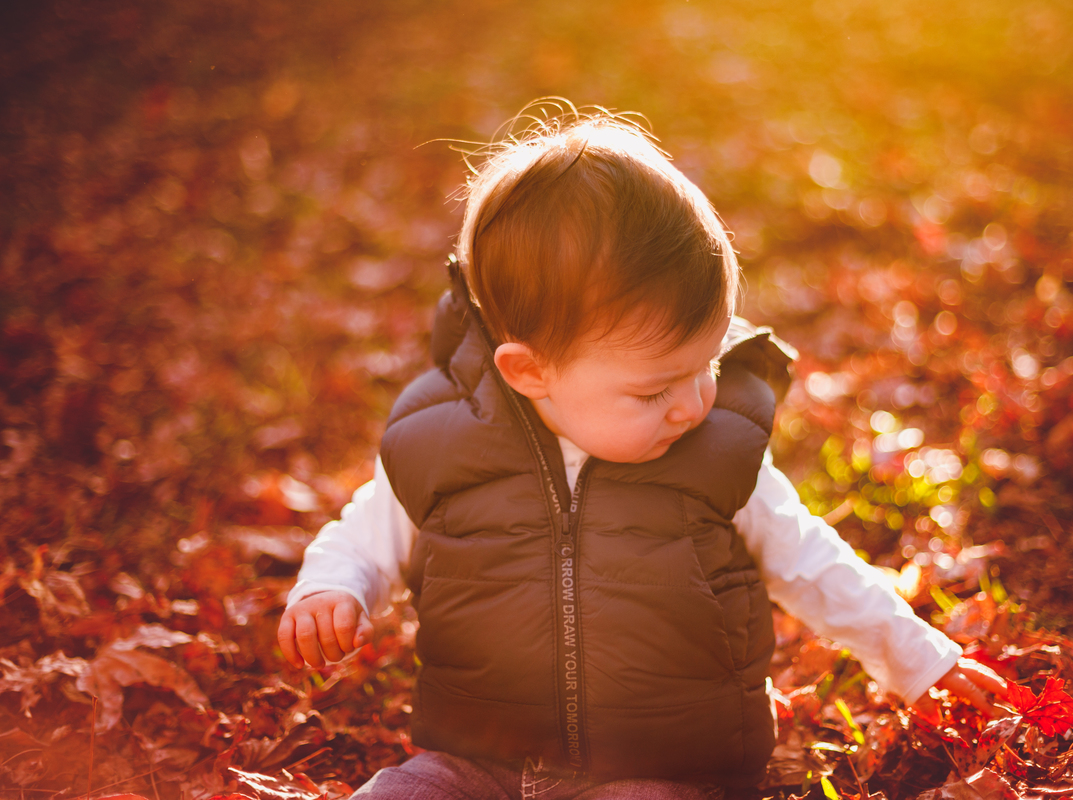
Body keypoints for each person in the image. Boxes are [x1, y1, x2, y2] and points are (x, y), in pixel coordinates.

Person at [277, 108, 1005, 800]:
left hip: (658, 768)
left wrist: (916, 661)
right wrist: (331, 589)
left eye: (707, 365)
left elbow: (812, 563)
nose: (693, 404)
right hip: (477, 761)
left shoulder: (715, 457)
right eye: (655, 390)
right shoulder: (442, 444)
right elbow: (365, 537)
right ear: (530, 372)